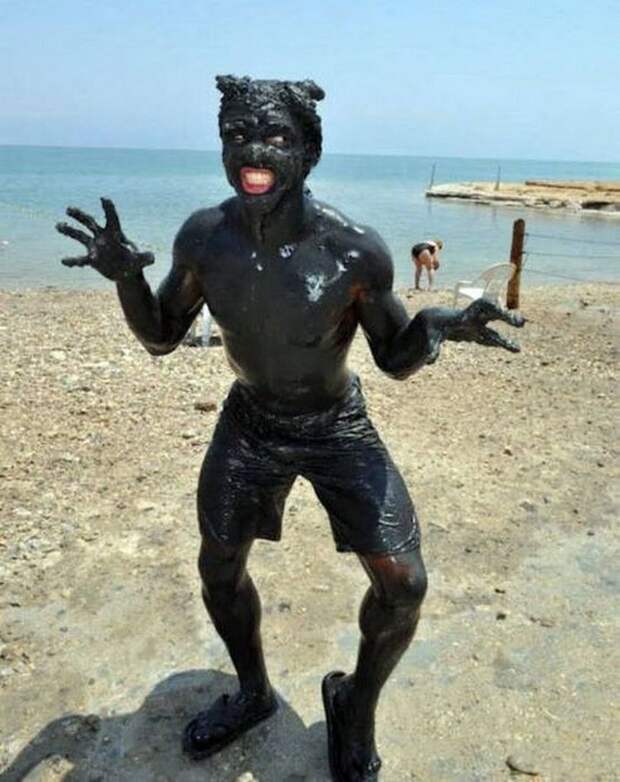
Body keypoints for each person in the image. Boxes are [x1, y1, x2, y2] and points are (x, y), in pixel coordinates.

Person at [56, 75, 523, 782]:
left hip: (336, 425)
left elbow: (393, 359)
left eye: (275, 136)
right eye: (237, 134)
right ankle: (252, 692)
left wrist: (434, 324)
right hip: (252, 423)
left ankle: (354, 705)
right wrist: (126, 278)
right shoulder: (204, 239)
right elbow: (160, 337)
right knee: (218, 570)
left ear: (308, 151)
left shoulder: (353, 251)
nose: (253, 150)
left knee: (404, 583)